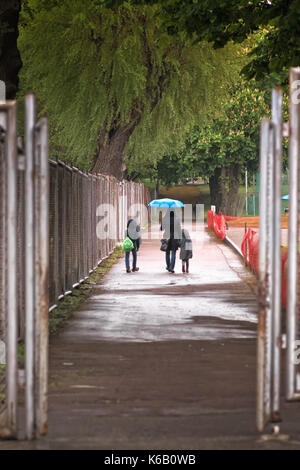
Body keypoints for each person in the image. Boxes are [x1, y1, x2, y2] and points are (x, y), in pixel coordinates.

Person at [161, 209, 182, 273]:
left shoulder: (165, 218)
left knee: (167, 252)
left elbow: (161, 228)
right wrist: (180, 238)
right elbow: (179, 229)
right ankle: (171, 267)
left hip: (167, 237)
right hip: (175, 237)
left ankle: (168, 266)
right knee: (173, 252)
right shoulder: (177, 219)